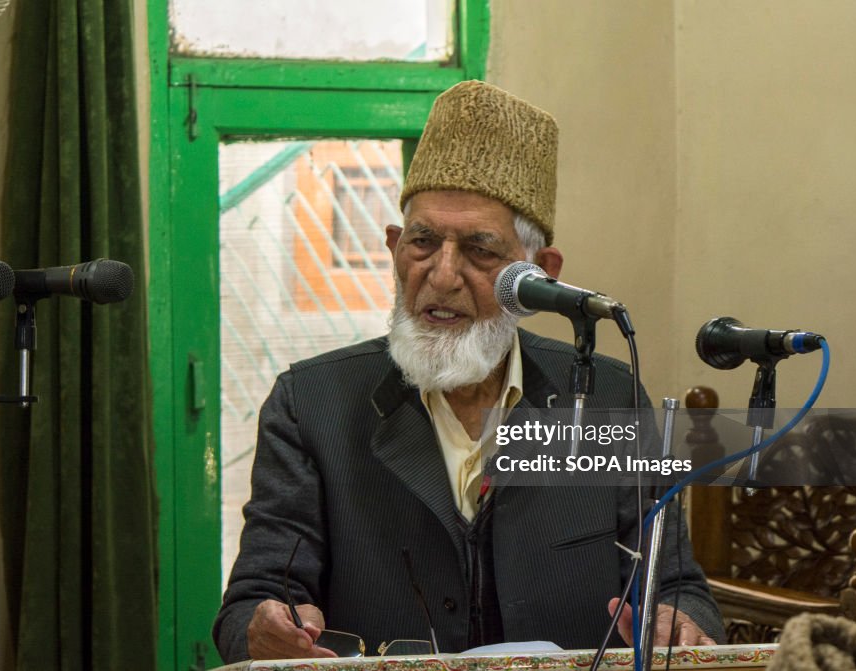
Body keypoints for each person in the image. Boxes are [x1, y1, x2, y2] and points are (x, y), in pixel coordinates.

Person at [213, 80, 724, 663]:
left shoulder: (606, 396)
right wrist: (267, 626)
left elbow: (678, 585)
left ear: (539, 275)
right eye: (423, 242)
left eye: (480, 250)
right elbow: (251, 605)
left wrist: (678, 622)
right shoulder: (313, 404)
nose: (443, 274)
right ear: (393, 247)